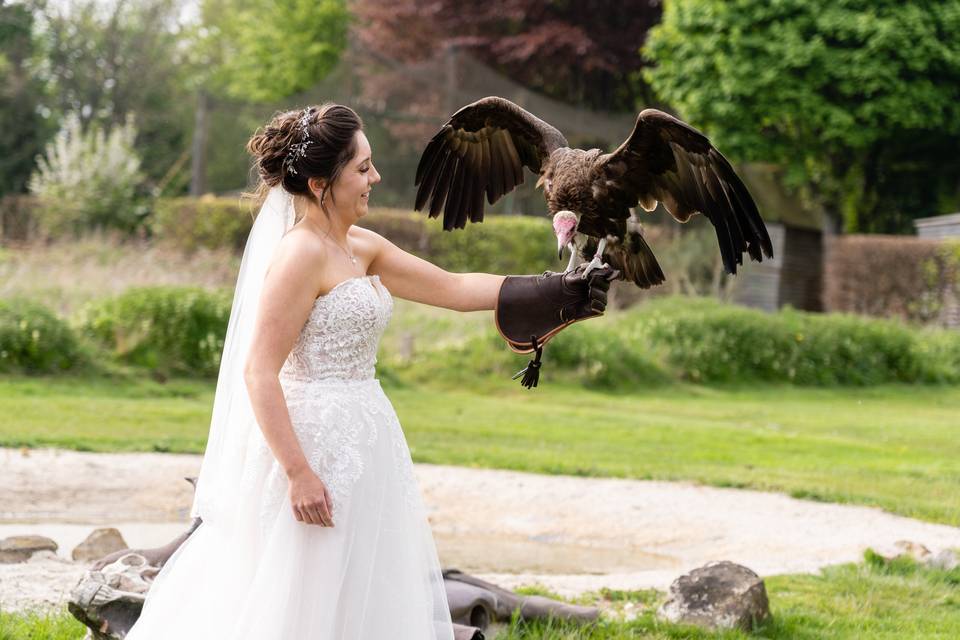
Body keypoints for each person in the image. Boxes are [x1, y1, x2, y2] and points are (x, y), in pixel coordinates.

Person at [124, 103, 613, 639]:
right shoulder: (298, 257)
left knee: (363, 593)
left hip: (366, 441)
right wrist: (298, 473)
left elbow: (450, 288)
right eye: (362, 168)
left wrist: (551, 291)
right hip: (310, 449)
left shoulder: (361, 245)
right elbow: (259, 373)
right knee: (301, 598)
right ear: (319, 183)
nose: (375, 178)